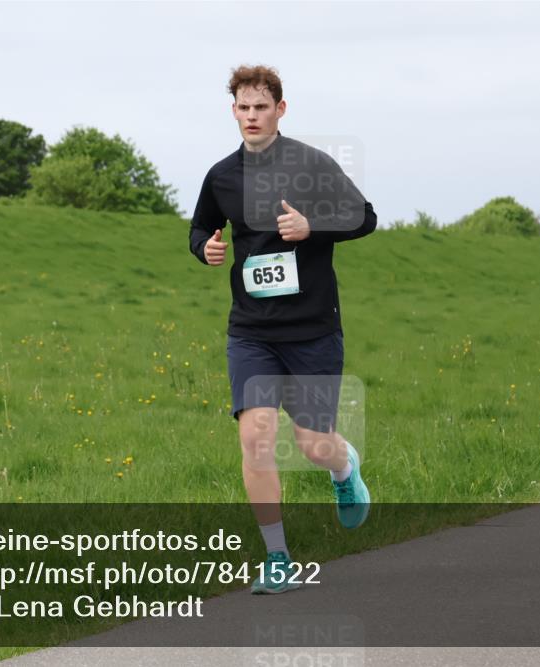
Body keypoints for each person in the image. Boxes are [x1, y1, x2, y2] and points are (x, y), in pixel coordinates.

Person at [188, 65, 377, 594]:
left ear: (280, 110)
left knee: (313, 443)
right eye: (243, 108)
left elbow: (364, 217)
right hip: (251, 330)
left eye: (261, 107)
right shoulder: (221, 175)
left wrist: (313, 227)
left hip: (313, 328)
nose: (251, 116)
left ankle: (344, 469)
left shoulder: (312, 165)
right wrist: (204, 248)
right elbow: (201, 225)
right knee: (255, 436)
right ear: (234, 112)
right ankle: (277, 558)